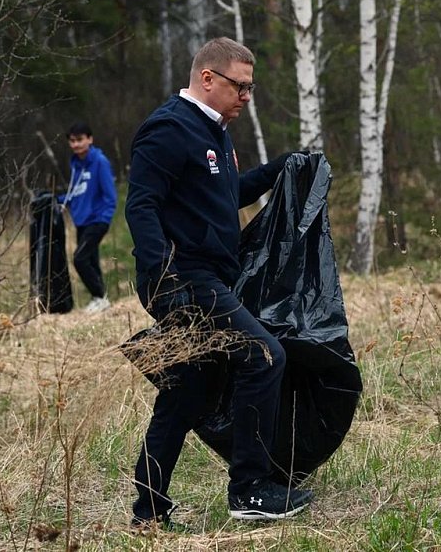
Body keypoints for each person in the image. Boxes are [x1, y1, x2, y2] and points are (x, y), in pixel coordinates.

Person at [125, 37, 311, 528]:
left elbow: (225, 196)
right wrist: (164, 279)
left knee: (187, 392)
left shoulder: (217, 133)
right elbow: (140, 205)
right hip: (185, 279)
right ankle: (249, 490)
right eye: (240, 86)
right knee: (265, 355)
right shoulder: (168, 129)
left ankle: (148, 510)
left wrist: (280, 169)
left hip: (207, 275)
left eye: (250, 88)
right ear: (207, 78)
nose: (246, 97)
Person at [58, 122, 117, 313]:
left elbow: (110, 195)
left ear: (90, 139)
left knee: (80, 259)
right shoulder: (75, 164)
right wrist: (59, 200)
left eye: (80, 140)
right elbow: (75, 191)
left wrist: (105, 218)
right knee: (91, 260)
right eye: (72, 141)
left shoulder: (100, 161)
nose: (76, 145)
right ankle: (100, 299)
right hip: (81, 220)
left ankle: (100, 297)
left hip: (97, 220)